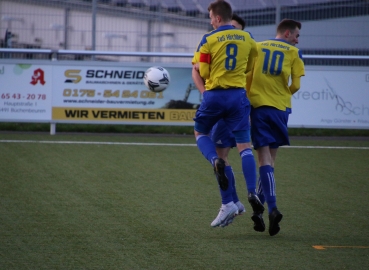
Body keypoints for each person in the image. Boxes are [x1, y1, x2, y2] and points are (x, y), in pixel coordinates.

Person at [191, 0, 264, 228]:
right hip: (238, 97)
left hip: (214, 95)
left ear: (218, 18)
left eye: (211, 17)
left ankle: (215, 164)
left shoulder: (209, 38)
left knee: (200, 132)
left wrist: (208, 84)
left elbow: (201, 69)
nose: (210, 21)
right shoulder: (248, 37)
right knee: (245, 146)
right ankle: (252, 193)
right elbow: (252, 62)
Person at [247, 19, 305, 236]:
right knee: (271, 160)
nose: (297, 40)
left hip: (259, 107)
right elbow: (296, 85)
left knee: (263, 160)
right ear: (288, 33)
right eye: (297, 36)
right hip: (280, 109)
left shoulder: (258, 47)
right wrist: (283, 94)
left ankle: (270, 209)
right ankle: (262, 211)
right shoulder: (293, 53)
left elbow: (247, 77)